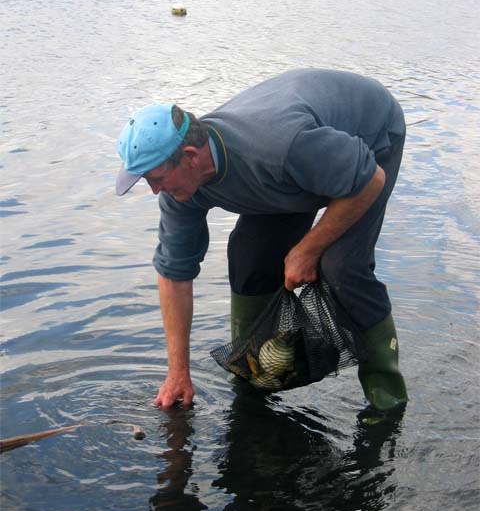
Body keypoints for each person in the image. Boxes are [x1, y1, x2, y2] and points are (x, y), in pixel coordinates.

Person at [115, 68, 408, 412]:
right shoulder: (182, 190)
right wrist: (178, 372)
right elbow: (174, 274)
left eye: (156, 178)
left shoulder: (279, 145)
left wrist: (307, 249)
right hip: (295, 171)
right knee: (249, 259)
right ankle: (250, 376)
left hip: (370, 138)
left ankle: (387, 399)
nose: (155, 190)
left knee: (341, 267)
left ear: (191, 157)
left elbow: (370, 181)